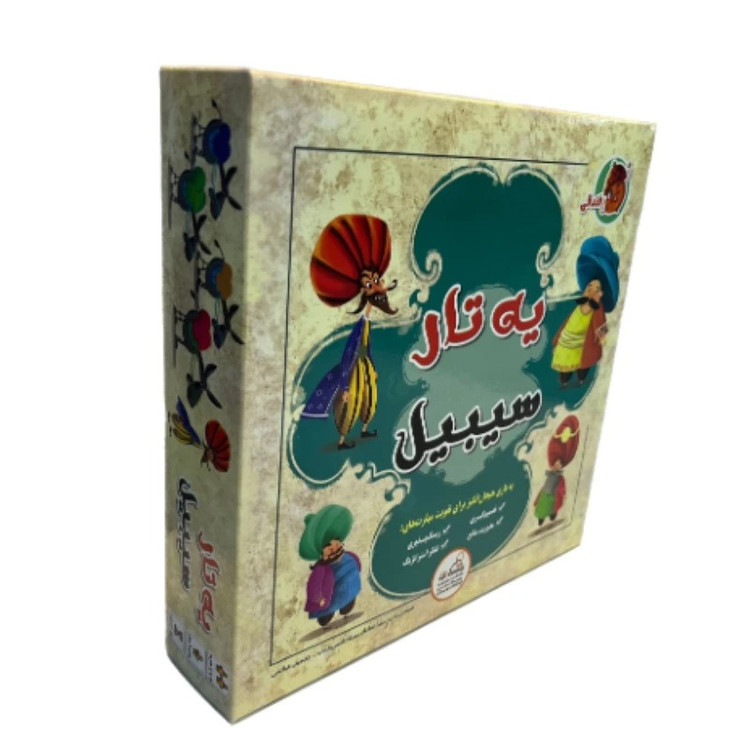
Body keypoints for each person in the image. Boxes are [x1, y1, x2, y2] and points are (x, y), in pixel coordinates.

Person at [302, 215, 398, 449]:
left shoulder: (367, 322)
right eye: (369, 284)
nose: (378, 286)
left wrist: (372, 367)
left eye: (377, 280)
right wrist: (344, 386)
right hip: (353, 369)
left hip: (365, 366)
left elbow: (368, 347)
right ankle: (343, 439)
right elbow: (349, 353)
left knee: (370, 399)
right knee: (350, 405)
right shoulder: (359, 325)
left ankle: (364, 430)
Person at [551, 236, 620, 388]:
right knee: (564, 367)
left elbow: (601, 325)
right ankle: (564, 382)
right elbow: (568, 322)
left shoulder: (597, 309)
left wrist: (602, 339)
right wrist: (557, 338)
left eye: (596, 288)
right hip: (567, 342)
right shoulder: (580, 305)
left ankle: (581, 379)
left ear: (600, 294)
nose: (591, 290)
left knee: (583, 364)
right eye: (589, 286)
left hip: (583, 344)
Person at [299, 505, 362, 627]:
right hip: (329, 602)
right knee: (325, 617)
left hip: (350, 592)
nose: (334, 547)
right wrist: (318, 598)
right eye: (329, 546)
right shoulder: (321, 570)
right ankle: (326, 617)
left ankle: (346, 607)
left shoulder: (349, 556)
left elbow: (357, 563)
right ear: (322, 552)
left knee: (347, 606)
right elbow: (314, 586)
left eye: (336, 543)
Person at [533, 416, 580, 525]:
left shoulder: (560, 477)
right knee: (542, 509)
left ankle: (552, 515)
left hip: (553, 496)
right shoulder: (550, 473)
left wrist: (562, 494)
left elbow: (562, 488)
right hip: (545, 494)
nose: (556, 466)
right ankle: (541, 519)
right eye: (555, 464)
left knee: (553, 507)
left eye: (558, 465)